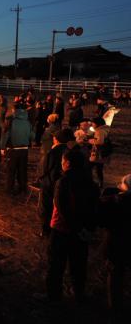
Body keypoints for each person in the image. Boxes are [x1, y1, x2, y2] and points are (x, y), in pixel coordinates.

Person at [46, 149, 99, 303]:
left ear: (67, 163)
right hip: (81, 232)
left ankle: (54, 297)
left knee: (56, 264)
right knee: (79, 265)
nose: (61, 164)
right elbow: (94, 208)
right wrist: (87, 229)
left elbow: (61, 207)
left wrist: (75, 227)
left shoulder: (63, 181)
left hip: (62, 229)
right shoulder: (91, 183)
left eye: (63, 161)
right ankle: (78, 294)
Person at [98, 174, 131, 315]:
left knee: (115, 275)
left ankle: (115, 307)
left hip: (116, 244)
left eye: (122, 183)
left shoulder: (117, 201)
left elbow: (102, 220)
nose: (119, 185)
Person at [39, 129, 73, 238]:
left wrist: (41, 179)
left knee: (46, 207)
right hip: (63, 183)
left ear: (56, 139)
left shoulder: (52, 152)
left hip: (50, 183)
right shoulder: (69, 151)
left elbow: (44, 169)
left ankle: (46, 230)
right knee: (58, 207)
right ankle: (55, 228)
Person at [1, 105, 34, 196]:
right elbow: (32, 136)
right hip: (24, 150)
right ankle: (22, 188)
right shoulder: (28, 122)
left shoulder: (11, 121)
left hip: (13, 150)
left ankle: (9, 189)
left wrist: (2, 147)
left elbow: (6, 135)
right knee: (22, 170)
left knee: (11, 171)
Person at [88, 117, 111, 189]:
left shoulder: (99, 131)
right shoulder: (105, 129)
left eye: (93, 123)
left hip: (97, 153)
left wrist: (90, 141)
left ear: (97, 123)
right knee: (99, 169)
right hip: (102, 153)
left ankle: (90, 182)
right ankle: (100, 183)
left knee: (89, 167)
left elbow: (100, 142)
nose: (92, 124)